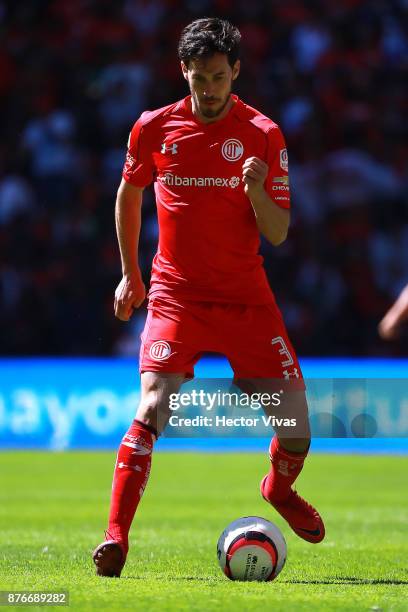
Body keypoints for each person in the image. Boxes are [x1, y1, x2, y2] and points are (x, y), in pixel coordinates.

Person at [93, 17, 325, 578]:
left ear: (236, 71)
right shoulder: (154, 128)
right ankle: (116, 539)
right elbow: (129, 195)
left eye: (219, 77)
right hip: (177, 296)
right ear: (184, 72)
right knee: (152, 404)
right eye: (200, 79)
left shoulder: (263, 134)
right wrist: (130, 274)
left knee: (297, 428)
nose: (209, 89)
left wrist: (253, 189)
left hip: (246, 299)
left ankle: (278, 488)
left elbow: (278, 231)